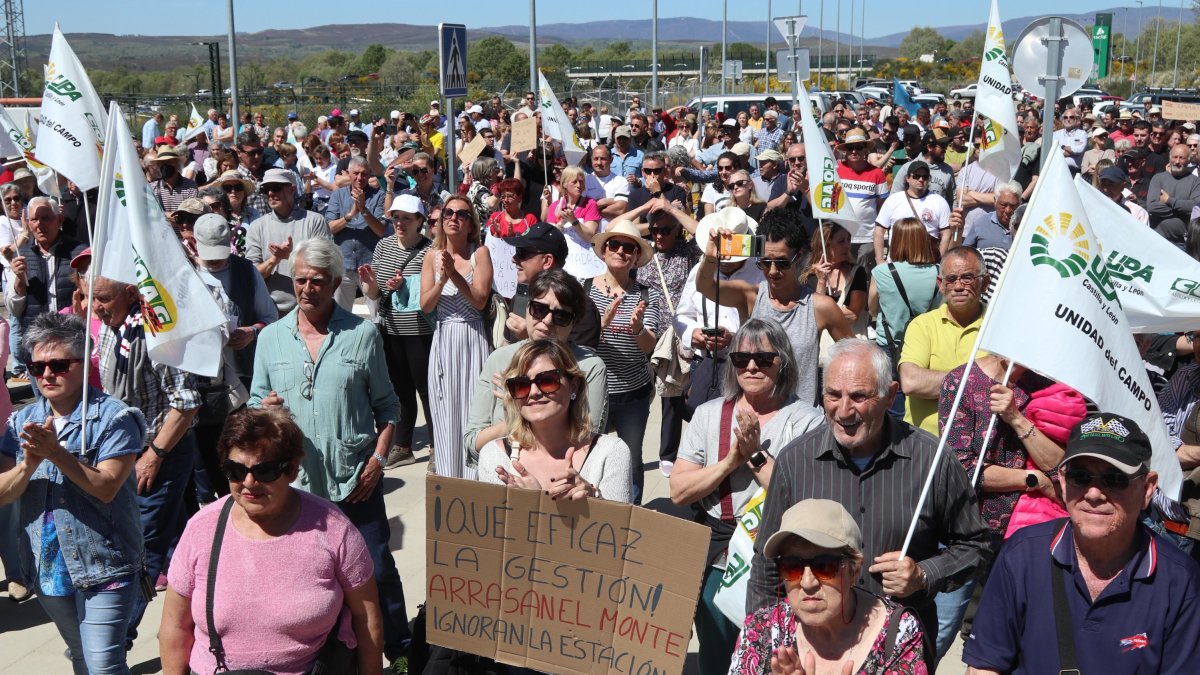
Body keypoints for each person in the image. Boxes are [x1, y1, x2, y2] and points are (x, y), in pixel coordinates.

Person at [747, 338, 990, 661]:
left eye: (859, 396)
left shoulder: (932, 460)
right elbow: (766, 567)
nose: (844, 410)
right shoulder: (795, 461)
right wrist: (764, 645)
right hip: (811, 653)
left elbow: (976, 545)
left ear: (890, 396)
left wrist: (924, 574)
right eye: (833, 395)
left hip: (898, 651)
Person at [248, 238, 410, 665]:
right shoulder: (271, 340)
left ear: (337, 283)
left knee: (375, 570)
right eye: (300, 280)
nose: (307, 289)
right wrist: (263, 411)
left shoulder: (363, 335)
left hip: (355, 481)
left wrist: (377, 461)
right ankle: (324, 656)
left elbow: (388, 407)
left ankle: (401, 651)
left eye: (317, 281)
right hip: (295, 486)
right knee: (306, 577)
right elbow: (253, 405)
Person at [963, 413, 1200, 673]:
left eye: (1115, 479)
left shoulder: (1179, 579)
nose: (1094, 493)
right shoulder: (1021, 555)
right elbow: (985, 665)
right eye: (1080, 476)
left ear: (1147, 489)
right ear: (1063, 482)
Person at [159, 409, 384, 675]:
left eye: (264, 471)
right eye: (235, 470)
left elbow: (366, 616)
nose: (249, 482)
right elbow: (174, 626)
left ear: (291, 470)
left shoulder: (333, 528)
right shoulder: (201, 528)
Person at [670, 319, 824, 675]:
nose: (751, 367)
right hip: (720, 557)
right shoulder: (708, 415)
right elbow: (678, 490)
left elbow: (803, 500)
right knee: (717, 651)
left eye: (763, 359)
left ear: (782, 361)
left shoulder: (807, 422)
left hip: (777, 553)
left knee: (775, 654)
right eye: (741, 359)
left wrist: (754, 455)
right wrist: (729, 462)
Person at [0, 313, 146, 675]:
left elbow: (107, 487)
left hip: (106, 564)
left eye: (59, 364)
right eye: (36, 367)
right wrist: (28, 465)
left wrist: (56, 453)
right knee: (80, 656)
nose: (47, 374)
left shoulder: (115, 418)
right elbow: (3, 493)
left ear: (84, 365)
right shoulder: (21, 422)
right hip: (47, 568)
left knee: (103, 665)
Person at [91, 272, 203, 647]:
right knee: (179, 542)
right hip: (120, 453)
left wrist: (153, 455)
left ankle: (116, 638)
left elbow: (186, 402)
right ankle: (202, 613)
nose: (97, 307)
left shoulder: (157, 333)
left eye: (104, 298)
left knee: (142, 547)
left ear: (130, 293)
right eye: (92, 297)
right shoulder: (108, 327)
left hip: (159, 453)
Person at [730, 499, 929, 674]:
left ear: (854, 570)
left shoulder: (899, 633)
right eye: (791, 567)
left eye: (825, 566)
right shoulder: (761, 629)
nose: (807, 583)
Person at [696, 208, 853, 406]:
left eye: (782, 263)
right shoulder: (751, 297)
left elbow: (854, 354)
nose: (772, 271)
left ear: (800, 256)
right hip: (754, 416)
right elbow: (704, 286)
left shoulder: (819, 307)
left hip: (800, 423)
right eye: (765, 262)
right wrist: (710, 256)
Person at [466, 269, 608, 465]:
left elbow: (588, 445)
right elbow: (473, 443)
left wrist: (524, 408)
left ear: (573, 323)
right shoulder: (500, 359)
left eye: (560, 316)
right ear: (527, 308)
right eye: (539, 310)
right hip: (503, 475)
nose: (547, 321)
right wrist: (515, 418)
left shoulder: (588, 367)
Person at [478, 338, 631, 502]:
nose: (534, 392)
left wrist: (593, 499)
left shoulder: (610, 453)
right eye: (521, 384)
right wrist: (534, 502)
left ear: (574, 385)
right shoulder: (494, 456)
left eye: (547, 381)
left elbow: (620, 526)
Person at [588, 220, 662, 504]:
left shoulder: (646, 294)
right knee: (592, 455)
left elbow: (649, 344)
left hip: (633, 392)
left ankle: (633, 514)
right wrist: (600, 326)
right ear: (604, 250)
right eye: (614, 245)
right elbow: (580, 343)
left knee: (631, 457)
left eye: (628, 247)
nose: (620, 251)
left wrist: (637, 329)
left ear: (635, 256)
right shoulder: (585, 290)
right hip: (594, 391)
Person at [359, 195, 436, 469]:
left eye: (406, 218)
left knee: (427, 390)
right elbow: (374, 292)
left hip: (420, 331)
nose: (400, 223)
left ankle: (437, 445)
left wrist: (408, 285)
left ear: (419, 221)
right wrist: (369, 283)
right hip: (391, 330)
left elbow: (432, 293)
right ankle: (403, 446)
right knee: (400, 390)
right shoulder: (383, 246)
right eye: (396, 217)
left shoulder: (431, 250)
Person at [420, 195, 493, 480]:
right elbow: (426, 305)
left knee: (474, 412)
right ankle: (450, 479)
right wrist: (442, 278)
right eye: (448, 213)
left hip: (473, 337)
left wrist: (455, 275)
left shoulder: (480, 253)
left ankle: (475, 480)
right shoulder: (430, 256)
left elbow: (479, 300)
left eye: (462, 214)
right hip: (444, 340)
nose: (454, 218)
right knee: (446, 415)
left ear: (471, 223)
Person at [899, 246, 989, 436]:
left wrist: (936, 381)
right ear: (940, 284)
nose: (958, 286)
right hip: (925, 445)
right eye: (951, 279)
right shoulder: (922, 325)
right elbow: (910, 381)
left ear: (985, 282)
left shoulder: (999, 326)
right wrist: (979, 381)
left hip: (981, 451)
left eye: (967, 278)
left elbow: (1006, 382)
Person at [868, 217, 941, 418]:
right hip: (924, 346)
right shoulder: (938, 272)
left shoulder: (881, 272)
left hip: (888, 343)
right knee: (920, 395)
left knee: (891, 396)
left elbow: (872, 308)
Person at [6, 196, 88, 370]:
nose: (39, 224)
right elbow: (14, 308)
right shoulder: (21, 256)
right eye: (34, 219)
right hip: (38, 348)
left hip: (72, 344)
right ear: (28, 223)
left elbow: (93, 297)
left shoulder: (80, 252)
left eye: (46, 218)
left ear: (59, 220)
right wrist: (20, 279)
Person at [245, 168, 333, 315]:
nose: (271, 193)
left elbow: (324, 266)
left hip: (310, 308)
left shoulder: (314, 221)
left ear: (292, 189)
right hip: (269, 311)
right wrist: (275, 259)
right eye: (266, 189)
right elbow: (252, 275)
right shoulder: (257, 226)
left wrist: (291, 257)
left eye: (276, 188)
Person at [801, 223, 870, 344]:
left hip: (849, 346)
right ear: (826, 245)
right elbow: (813, 314)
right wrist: (821, 281)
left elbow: (854, 315)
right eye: (841, 241)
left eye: (848, 240)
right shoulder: (810, 277)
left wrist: (826, 313)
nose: (847, 246)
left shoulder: (857, 272)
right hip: (820, 348)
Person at [875, 161, 952, 264]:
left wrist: (940, 263)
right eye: (916, 176)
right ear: (907, 178)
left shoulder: (939, 201)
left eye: (925, 177)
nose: (921, 179)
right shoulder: (893, 200)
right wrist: (879, 259)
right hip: (897, 263)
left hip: (927, 264)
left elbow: (946, 234)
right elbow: (879, 230)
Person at [1146, 142, 1200, 248]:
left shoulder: (1196, 181)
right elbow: (1152, 207)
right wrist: (1181, 210)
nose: (1177, 161)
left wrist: (1169, 200)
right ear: (1170, 159)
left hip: (1182, 243)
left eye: (1182, 158)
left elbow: (1194, 207)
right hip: (1157, 237)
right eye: (1175, 157)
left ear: (1188, 160)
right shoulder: (1158, 178)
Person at [545, 165, 601, 244]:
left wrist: (573, 220)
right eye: (574, 182)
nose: (579, 185)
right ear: (564, 184)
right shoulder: (554, 206)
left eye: (581, 182)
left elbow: (590, 237)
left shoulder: (590, 204)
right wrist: (560, 224)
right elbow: (549, 237)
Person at [963, 181, 1021, 252]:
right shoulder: (980, 223)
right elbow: (965, 253)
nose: (1008, 210)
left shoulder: (1025, 226)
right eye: (1003, 205)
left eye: (1013, 206)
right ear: (995, 202)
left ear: (1019, 204)